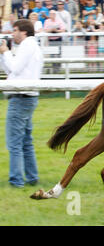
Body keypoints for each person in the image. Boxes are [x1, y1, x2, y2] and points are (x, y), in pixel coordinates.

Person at [0, 19, 43, 188]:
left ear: (24, 32)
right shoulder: (31, 46)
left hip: (20, 98)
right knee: (25, 141)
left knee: (14, 143)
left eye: (15, 30)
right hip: (27, 97)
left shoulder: (27, 46)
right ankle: (32, 178)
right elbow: (10, 70)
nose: (13, 33)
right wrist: (4, 53)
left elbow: (15, 68)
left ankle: (16, 181)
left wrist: (6, 52)